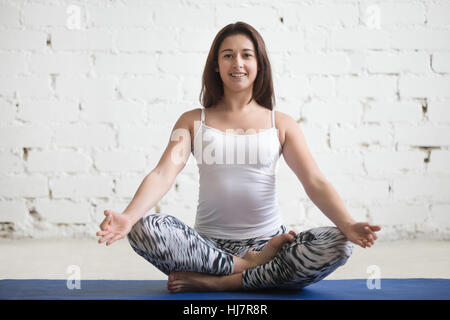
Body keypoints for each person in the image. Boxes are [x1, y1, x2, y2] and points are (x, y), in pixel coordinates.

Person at [96, 22, 381, 293]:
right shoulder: (193, 121)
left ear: (259, 64)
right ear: (216, 66)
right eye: (228, 55)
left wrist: (347, 224)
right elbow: (163, 173)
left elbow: (314, 181)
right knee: (144, 229)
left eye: (247, 55)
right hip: (207, 249)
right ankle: (249, 268)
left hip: (271, 242)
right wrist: (128, 217)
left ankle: (220, 282)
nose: (238, 63)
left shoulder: (280, 123)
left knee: (339, 244)